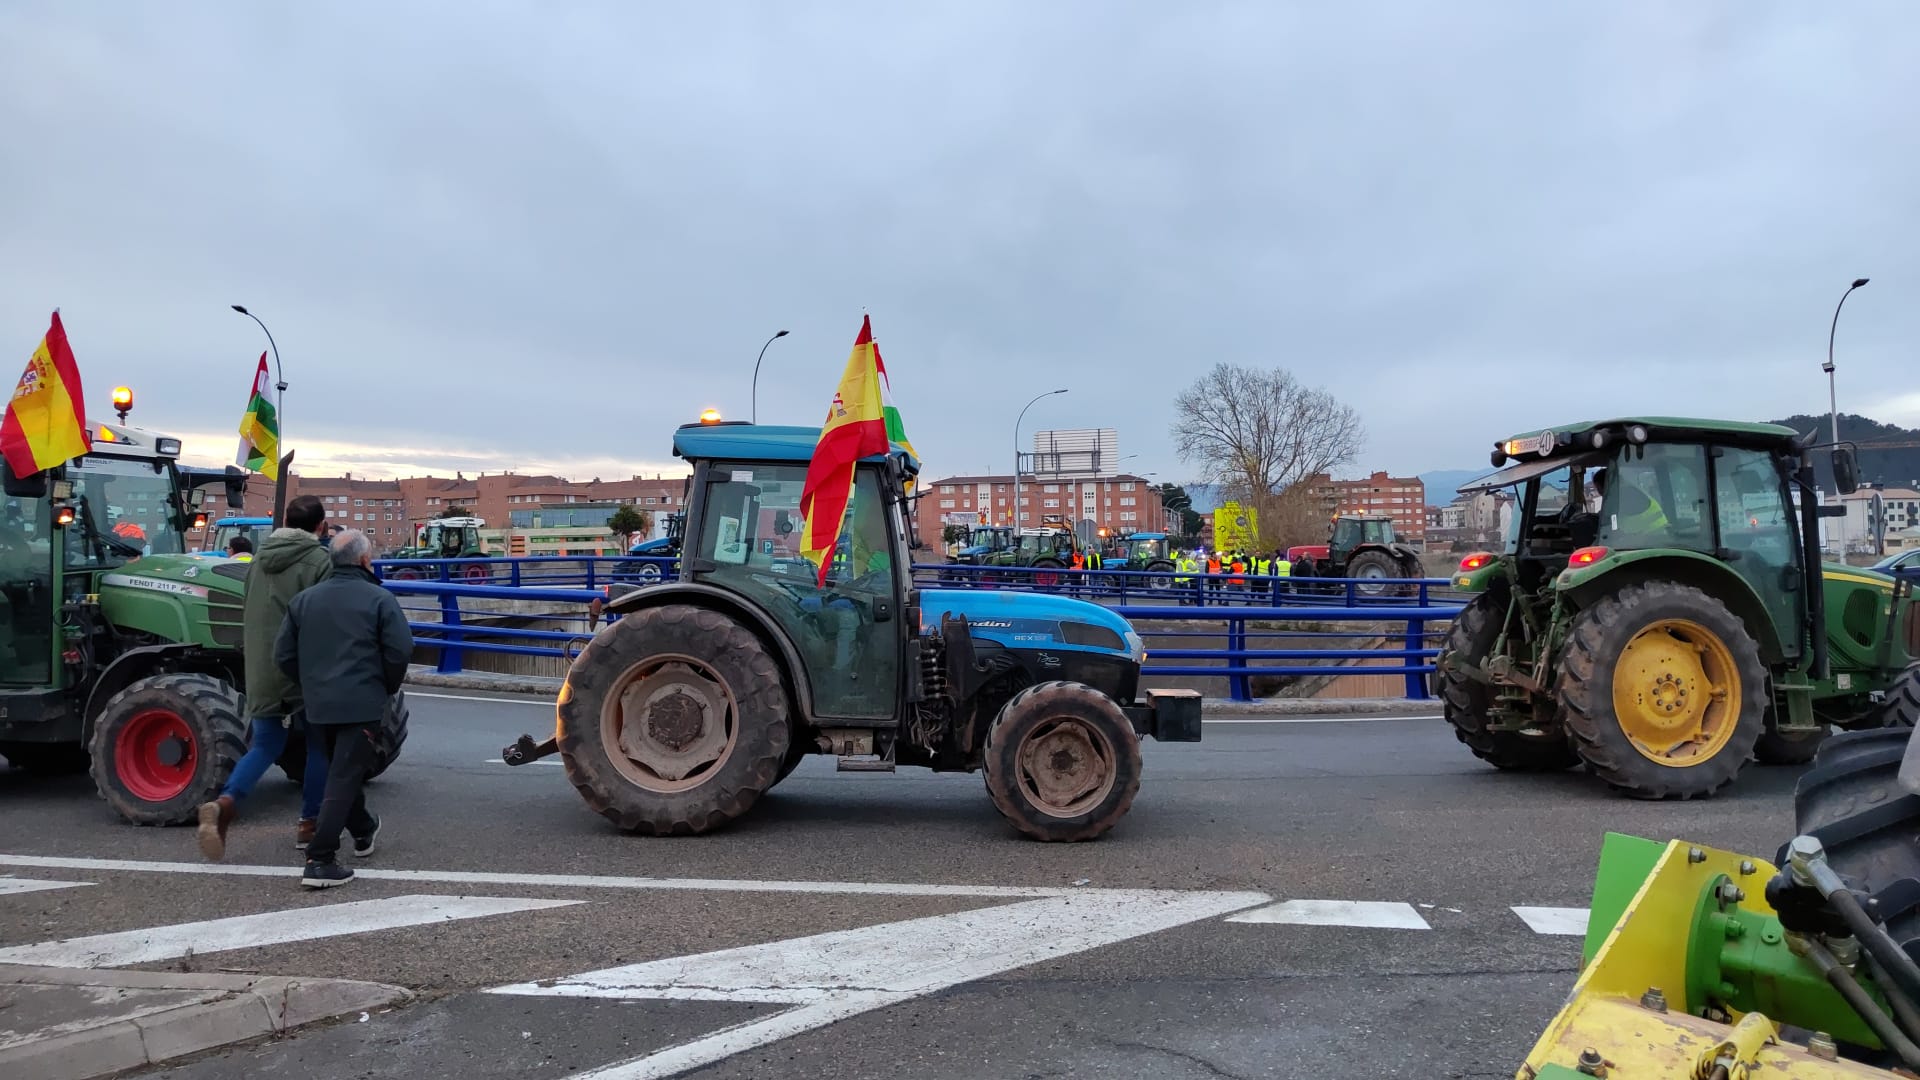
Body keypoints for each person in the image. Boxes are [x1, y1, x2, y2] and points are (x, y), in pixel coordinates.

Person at [197, 496, 333, 860]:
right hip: (303, 667)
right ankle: (309, 823)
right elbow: (325, 615)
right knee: (320, 746)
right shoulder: (320, 561)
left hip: (260, 665)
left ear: (286, 521)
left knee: (265, 744)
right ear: (320, 526)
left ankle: (226, 801)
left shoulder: (258, 560)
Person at [276, 529, 414, 889]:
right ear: (366, 560)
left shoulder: (304, 601)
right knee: (342, 777)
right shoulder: (379, 599)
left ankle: (364, 829)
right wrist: (384, 686)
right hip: (361, 702)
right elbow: (400, 650)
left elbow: (284, 656)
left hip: (317, 704)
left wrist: (310, 684)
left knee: (341, 772)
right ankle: (320, 860)